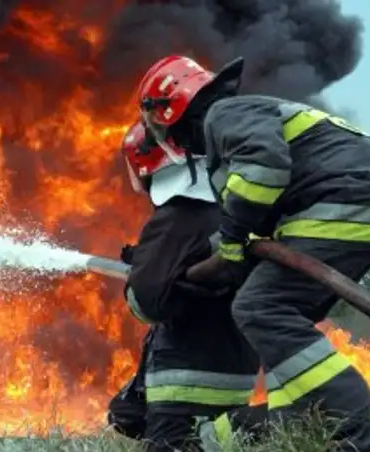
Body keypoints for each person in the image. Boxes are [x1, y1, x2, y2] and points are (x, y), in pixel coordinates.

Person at [133, 54, 370, 451]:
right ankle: (297, 416)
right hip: (366, 202)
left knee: (259, 308)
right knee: (285, 313)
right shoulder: (242, 117)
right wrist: (227, 253)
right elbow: (264, 204)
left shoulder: (223, 115)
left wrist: (230, 242)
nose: (175, 143)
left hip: (346, 200)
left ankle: (356, 431)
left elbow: (264, 171)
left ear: (172, 111)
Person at [107, 120, 267, 451]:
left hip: (185, 378)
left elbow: (146, 303)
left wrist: (142, 276)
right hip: (237, 372)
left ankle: (260, 426)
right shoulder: (231, 214)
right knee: (125, 414)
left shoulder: (176, 216)